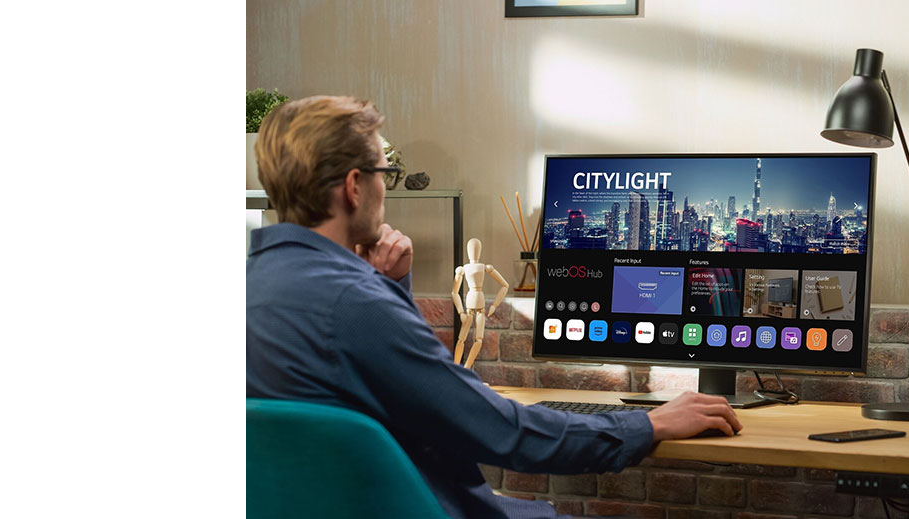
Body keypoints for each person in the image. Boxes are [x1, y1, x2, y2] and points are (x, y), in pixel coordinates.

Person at [246, 95, 742, 519]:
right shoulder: (354, 304)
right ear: (354, 186)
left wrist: (390, 285)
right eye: (384, 172)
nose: (386, 188)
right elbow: (503, 432)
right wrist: (648, 423)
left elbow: (375, 397)